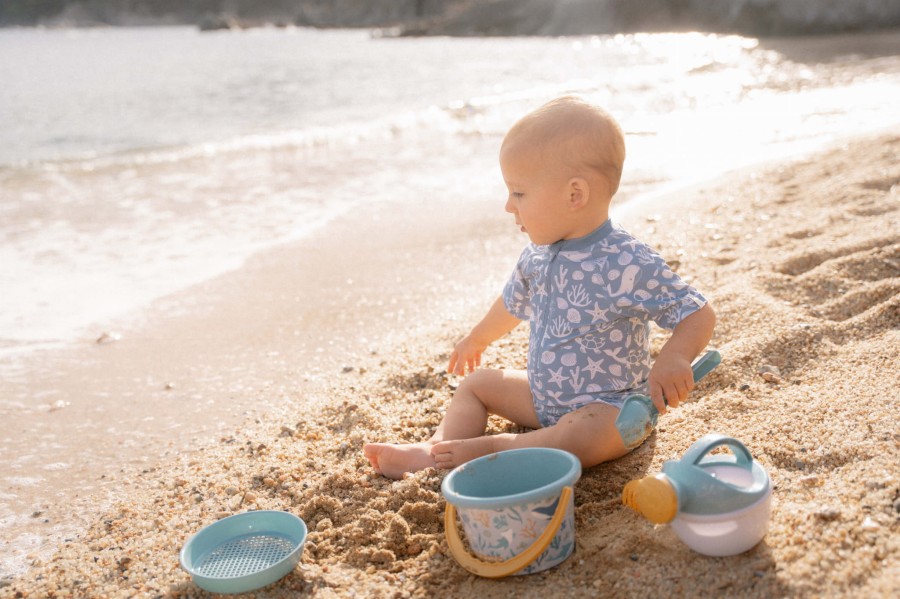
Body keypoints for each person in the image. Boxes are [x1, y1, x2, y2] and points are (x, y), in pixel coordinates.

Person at [364, 96, 716, 480]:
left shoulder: (627, 261)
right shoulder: (537, 254)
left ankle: (494, 448)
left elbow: (697, 312)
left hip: (610, 407)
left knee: (583, 437)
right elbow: (511, 304)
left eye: (519, 193)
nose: (508, 206)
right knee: (477, 384)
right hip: (542, 397)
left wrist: (674, 357)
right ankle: (436, 446)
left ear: (574, 195)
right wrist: (477, 338)